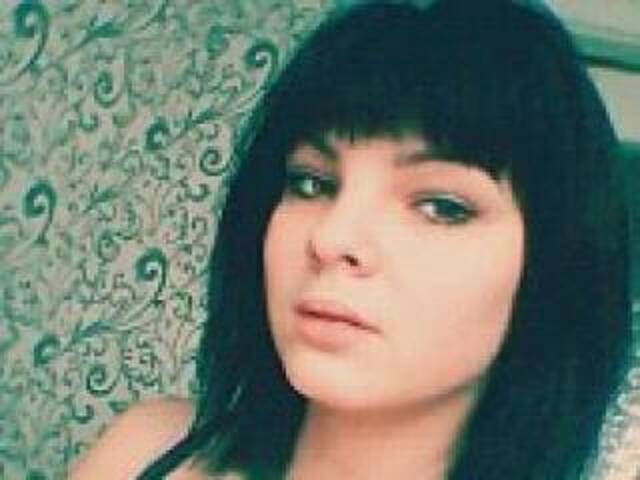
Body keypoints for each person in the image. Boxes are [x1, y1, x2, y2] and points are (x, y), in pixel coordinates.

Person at [68, 0, 633, 478]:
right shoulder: (146, 449)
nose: (331, 236)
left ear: (553, 271)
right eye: (311, 183)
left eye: (441, 207)